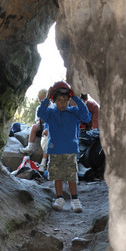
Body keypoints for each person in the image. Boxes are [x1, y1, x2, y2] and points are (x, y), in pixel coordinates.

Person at [37, 81, 91, 212]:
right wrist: (47, 97)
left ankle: (75, 200)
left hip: (70, 151)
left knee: (72, 177)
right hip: (55, 151)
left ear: (69, 99)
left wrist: (76, 98)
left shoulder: (74, 113)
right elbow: (40, 112)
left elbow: (87, 117)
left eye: (66, 100)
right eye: (59, 100)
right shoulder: (50, 113)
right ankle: (59, 198)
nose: (63, 103)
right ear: (54, 100)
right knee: (58, 176)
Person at [20, 88, 48, 155]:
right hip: (42, 125)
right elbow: (37, 120)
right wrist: (40, 121)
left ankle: (44, 161)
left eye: (41, 99)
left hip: (50, 126)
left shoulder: (52, 106)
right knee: (34, 126)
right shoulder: (39, 108)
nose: (39, 100)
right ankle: (30, 148)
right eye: (39, 99)